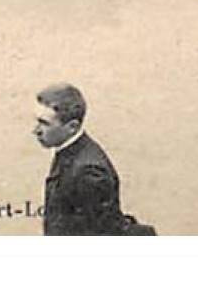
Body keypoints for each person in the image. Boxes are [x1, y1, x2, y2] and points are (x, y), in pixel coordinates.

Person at [32, 82, 133, 235]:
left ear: (72, 127)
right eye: (37, 121)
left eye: (44, 123)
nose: (36, 131)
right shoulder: (69, 152)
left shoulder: (89, 173)